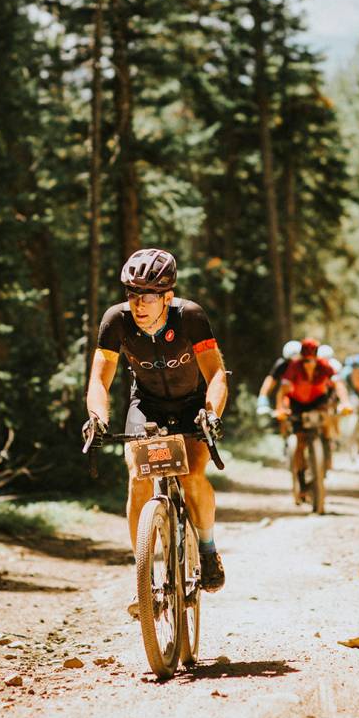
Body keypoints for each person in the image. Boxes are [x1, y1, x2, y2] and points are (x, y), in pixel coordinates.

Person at [83, 247, 229, 601]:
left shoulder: (190, 317)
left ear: (167, 296)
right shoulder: (115, 321)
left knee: (193, 474)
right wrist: (97, 418)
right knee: (137, 479)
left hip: (193, 404)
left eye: (147, 296)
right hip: (146, 406)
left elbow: (216, 375)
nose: (138, 304)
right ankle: (144, 577)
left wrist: (211, 414)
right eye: (132, 295)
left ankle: (207, 550)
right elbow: (99, 382)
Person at [274, 337, 340, 503]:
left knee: (326, 423)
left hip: (318, 400)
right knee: (300, 441)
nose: (309, 364)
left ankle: (326, 452)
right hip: (297, 403)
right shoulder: (293, 367)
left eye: (312, 360)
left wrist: (345, 402)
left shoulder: (325, 366)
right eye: (306, 360)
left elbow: (339, 385)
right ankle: (301, 478)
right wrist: (280, 408)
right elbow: (282, 390)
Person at [255, 339, 301, 422]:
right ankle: (285, 430)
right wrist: (263, 400)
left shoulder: (308, 365)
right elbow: (269, 382)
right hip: (286, 397)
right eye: (290, 361)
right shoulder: (281, 365)